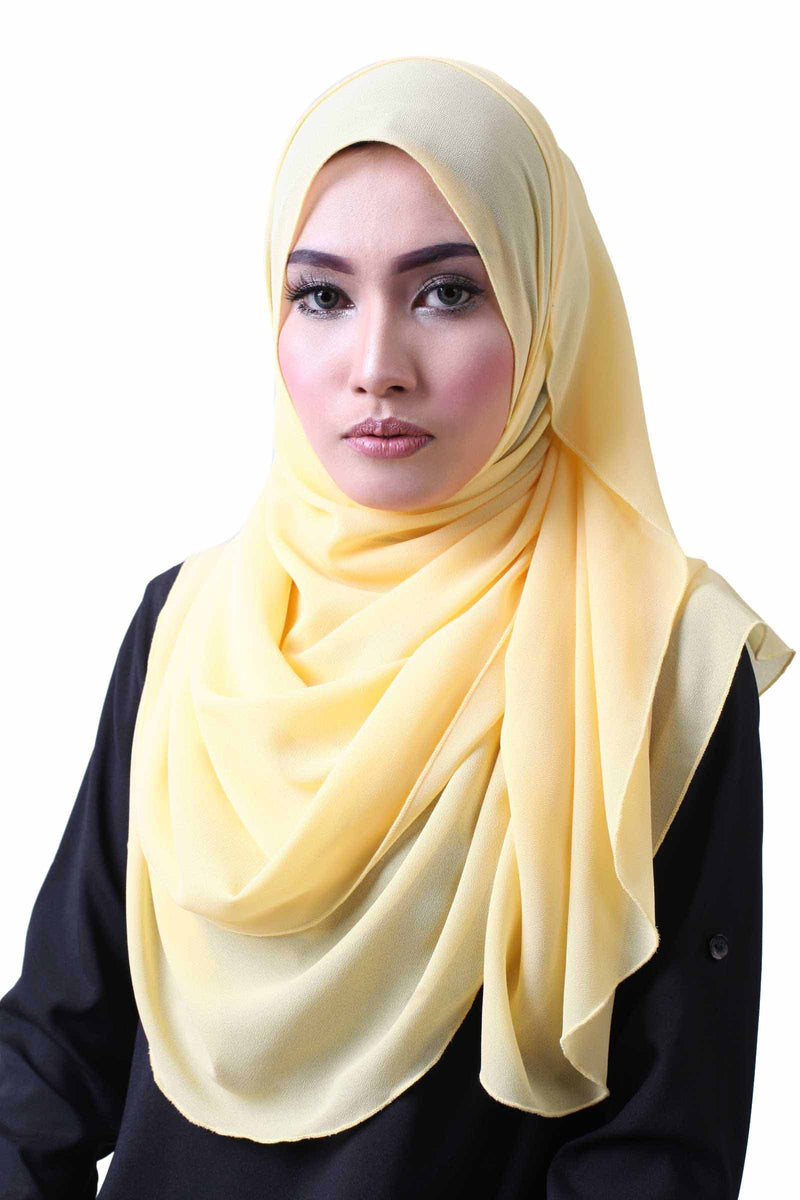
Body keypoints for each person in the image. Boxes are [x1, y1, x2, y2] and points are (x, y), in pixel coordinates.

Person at [0, 55, 794, 1200]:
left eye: (447, 292)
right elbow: (51, 1054)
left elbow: (653, 1154)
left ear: (545, 309)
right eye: (322, 296)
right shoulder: (187, 627)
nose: (376, 369)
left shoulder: (655, 663)